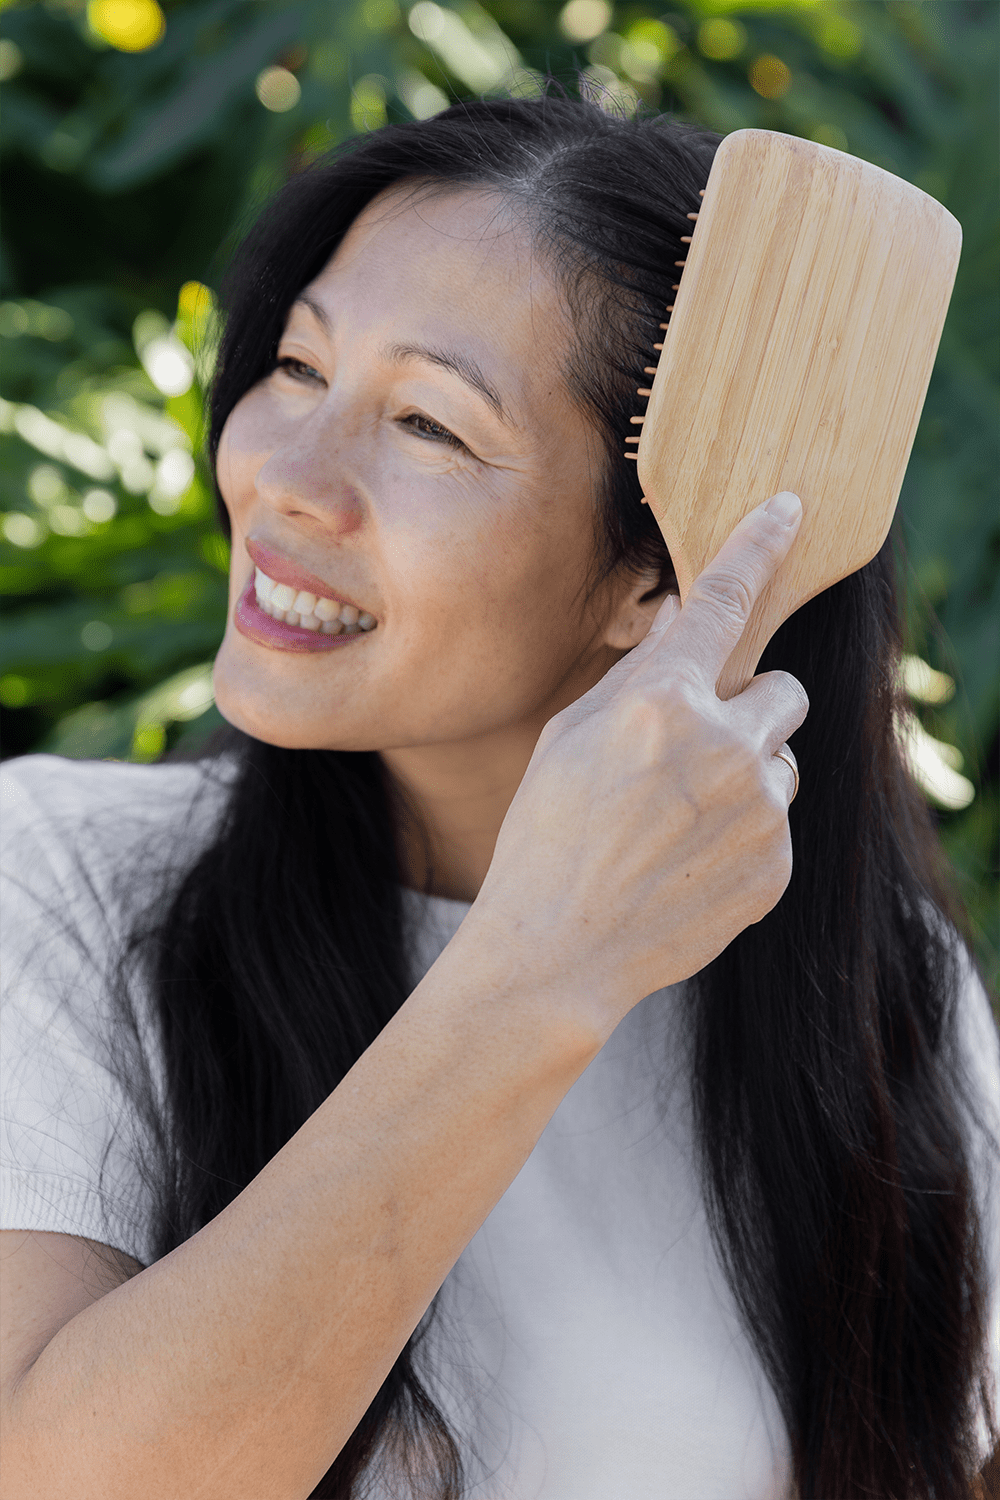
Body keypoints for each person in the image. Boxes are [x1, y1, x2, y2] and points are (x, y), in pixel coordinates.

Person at [1, 95, 997, 1500]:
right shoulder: (59, 880)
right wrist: (545, 963)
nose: (282, 478)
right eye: (296, 365)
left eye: (426, 425)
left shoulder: (884, 993)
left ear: (657, 577)